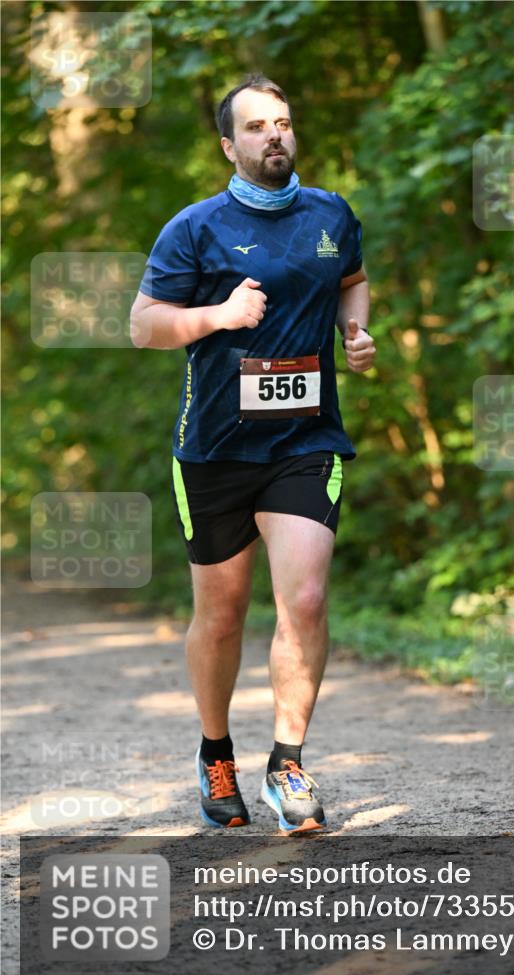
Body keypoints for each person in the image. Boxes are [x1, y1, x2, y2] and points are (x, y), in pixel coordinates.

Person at [130, 74, 375, 835]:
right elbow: (144, 325)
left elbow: (353, 281)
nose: (276, 135)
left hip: (305, 440)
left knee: (302, 599)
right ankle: (215, 755)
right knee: (224, 612)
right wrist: (218, 315)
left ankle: (288, 762)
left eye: (284, 122)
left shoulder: (330, 213)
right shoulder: (194, 228)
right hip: (214, 449)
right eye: (258, 127)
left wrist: (353, 331)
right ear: (229, 145)